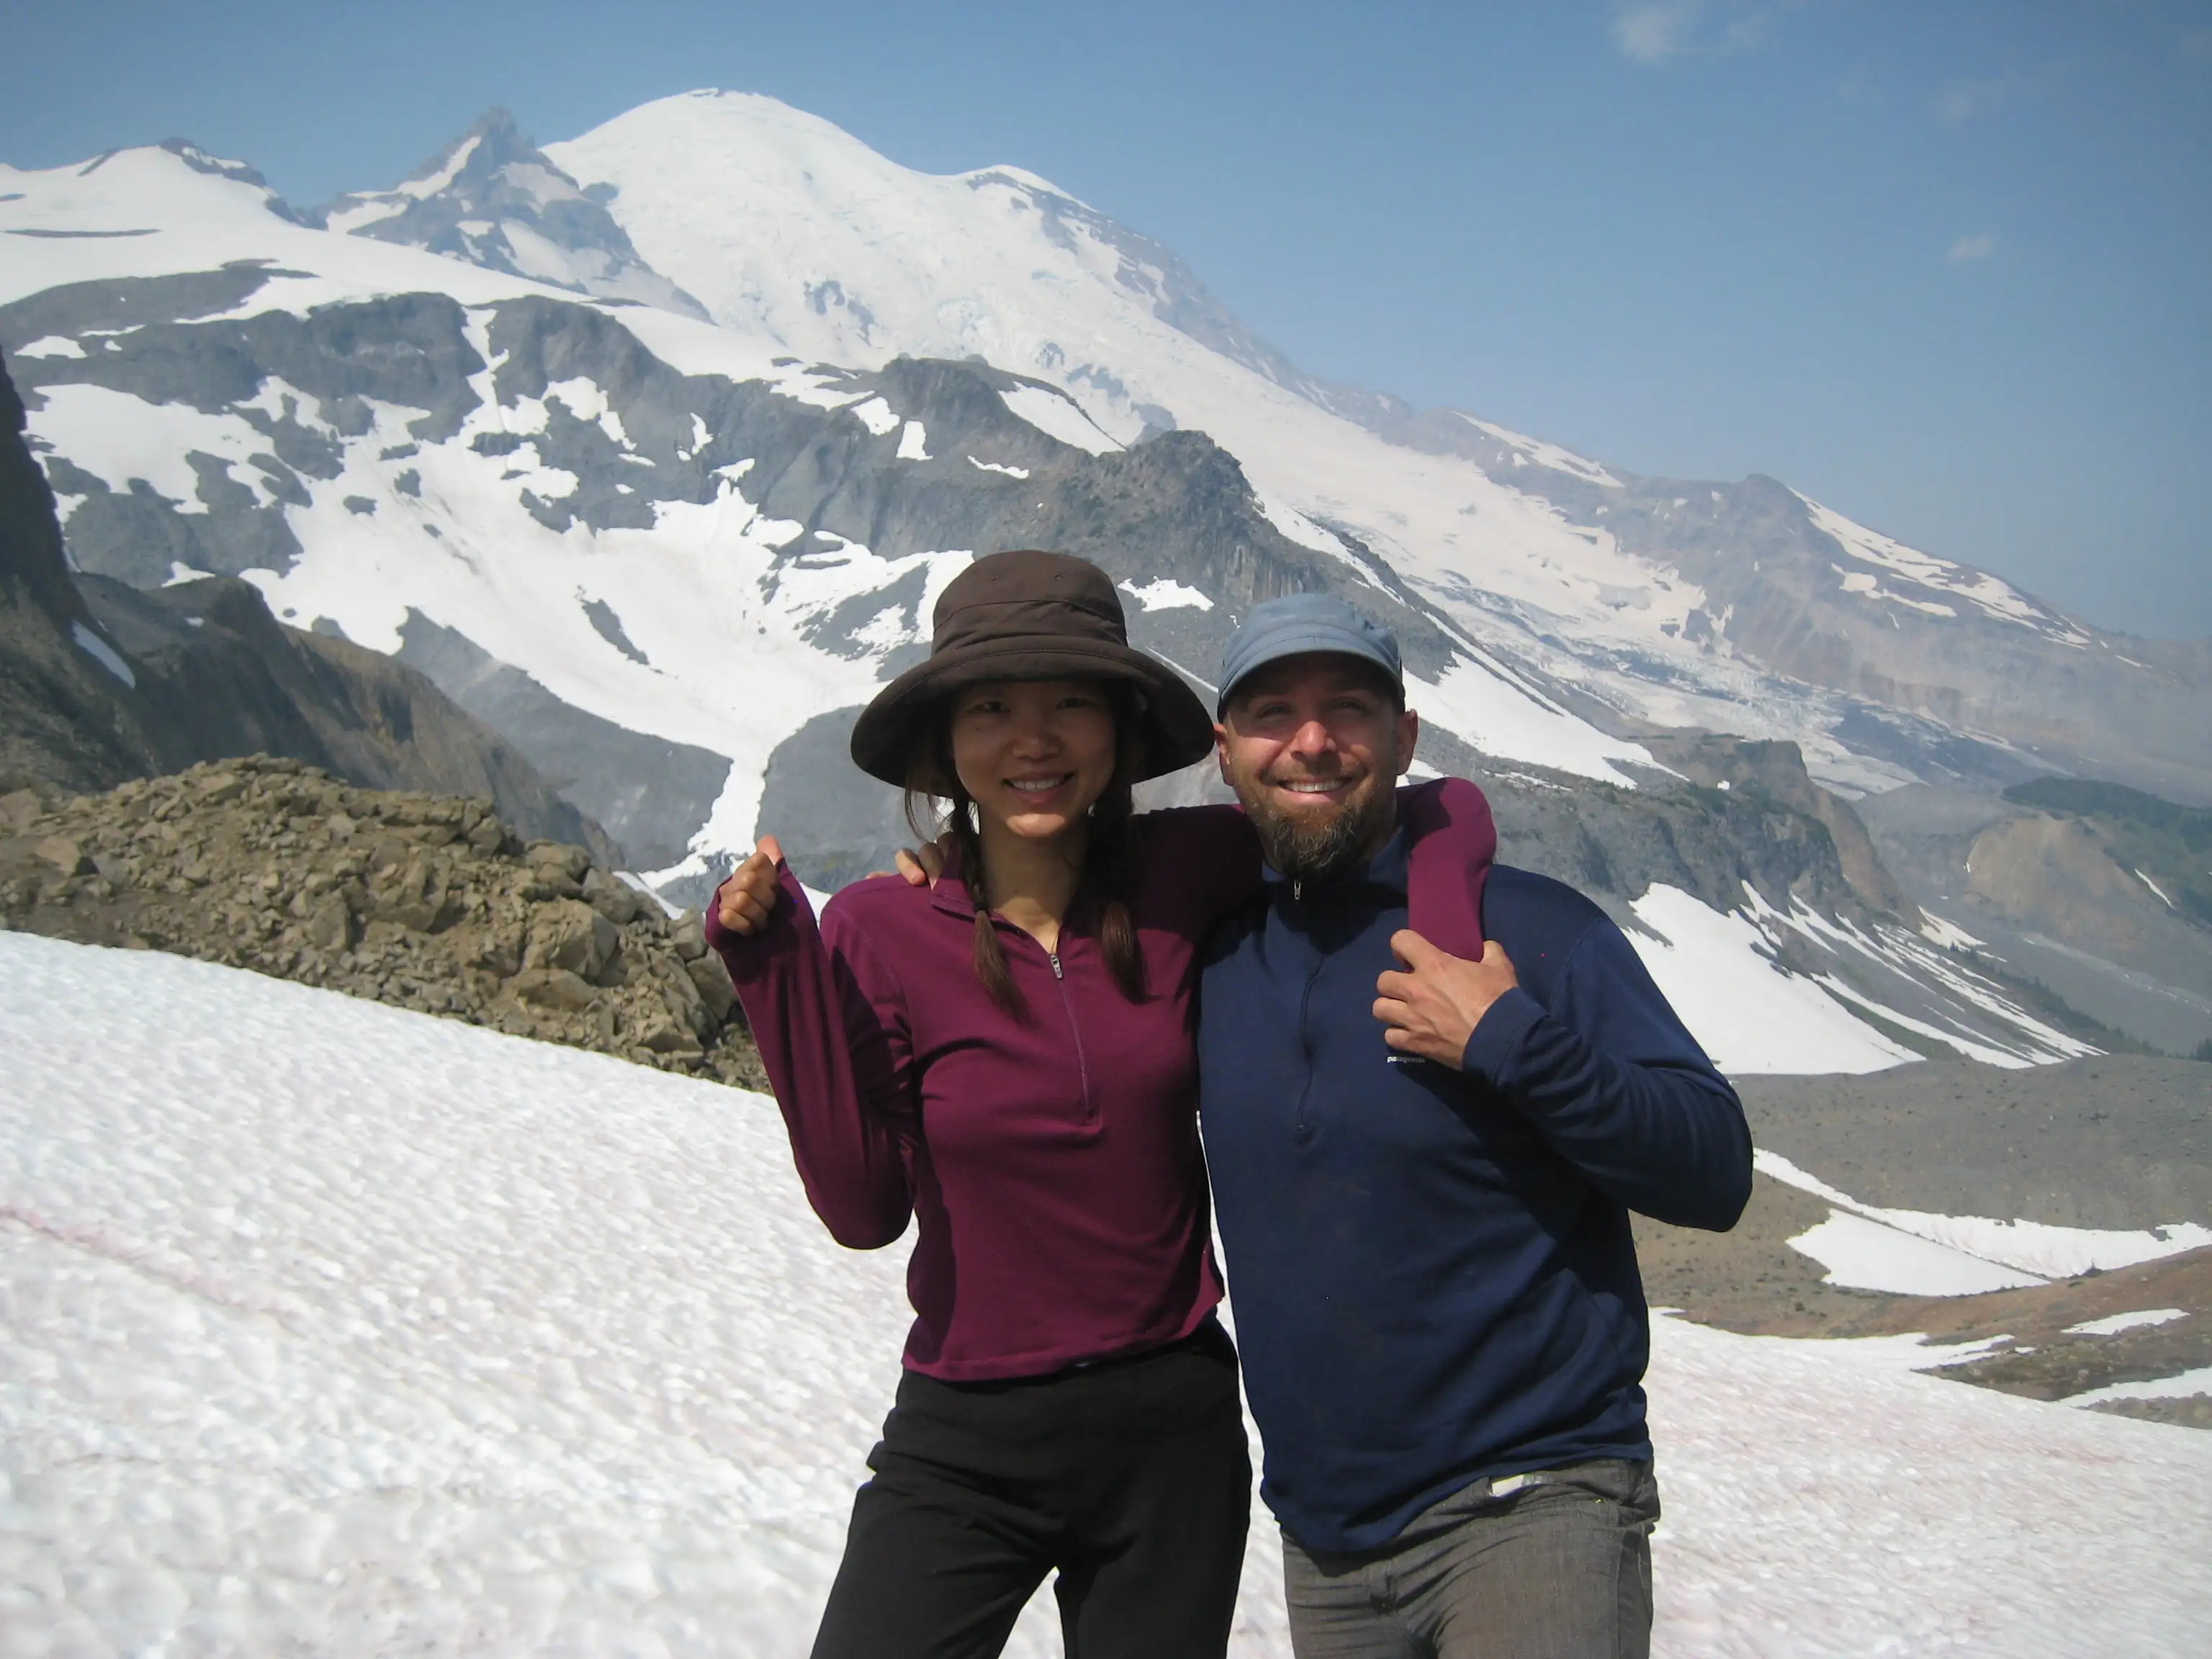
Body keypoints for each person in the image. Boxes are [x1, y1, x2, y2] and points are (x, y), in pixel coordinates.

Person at [703, 552, 1493, 1658]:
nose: (1034, 740)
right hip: (963, 1432)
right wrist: (775, 963)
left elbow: (1441, 809)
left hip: (1170, 1430)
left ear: (1119, 729)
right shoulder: (880, 929)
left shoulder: (1194, 870)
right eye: (992, 710)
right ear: (946, 746)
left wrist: (1451, 939)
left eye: (1071, 702)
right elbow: (862, 1207)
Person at [1195, 593, 1754, 1659]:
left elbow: (1715, 1168)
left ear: (1404, 737)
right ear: (1226, 751)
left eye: (1349, 708)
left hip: (1532, 1500)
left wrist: (1512, 1039)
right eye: (1273, 712)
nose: (1312, 740)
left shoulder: (1535, 933)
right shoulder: (1213, 952)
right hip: (1326, 1539)